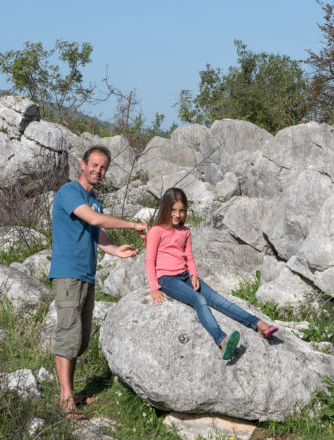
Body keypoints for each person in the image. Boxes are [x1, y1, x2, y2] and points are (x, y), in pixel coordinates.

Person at [49, 145, 148, 418]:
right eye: (94, 165)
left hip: (86, 274)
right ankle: (66, 400)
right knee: (67, 335)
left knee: (79, 338)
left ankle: (72, 392)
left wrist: (116, 250)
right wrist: (132, 224)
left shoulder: (95, 201)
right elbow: (93, 219)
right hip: (68, 273)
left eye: (103, 167)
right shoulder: (69, 192)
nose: (98, 171)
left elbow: (97, 231)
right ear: (83, 164)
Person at [144, 187, 278, 361]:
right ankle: (222, 340)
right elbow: (149, 261)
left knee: (218, 299)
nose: (177, 215)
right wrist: (154, 287)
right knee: (198, 300)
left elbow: (189, 257)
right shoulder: (156, 231)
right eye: (173, 210)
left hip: (185, 275)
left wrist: (193, 274)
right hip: (167, 279)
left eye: (181, 210)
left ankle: (258, 324)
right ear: (166, 209)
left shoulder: (185, 231)